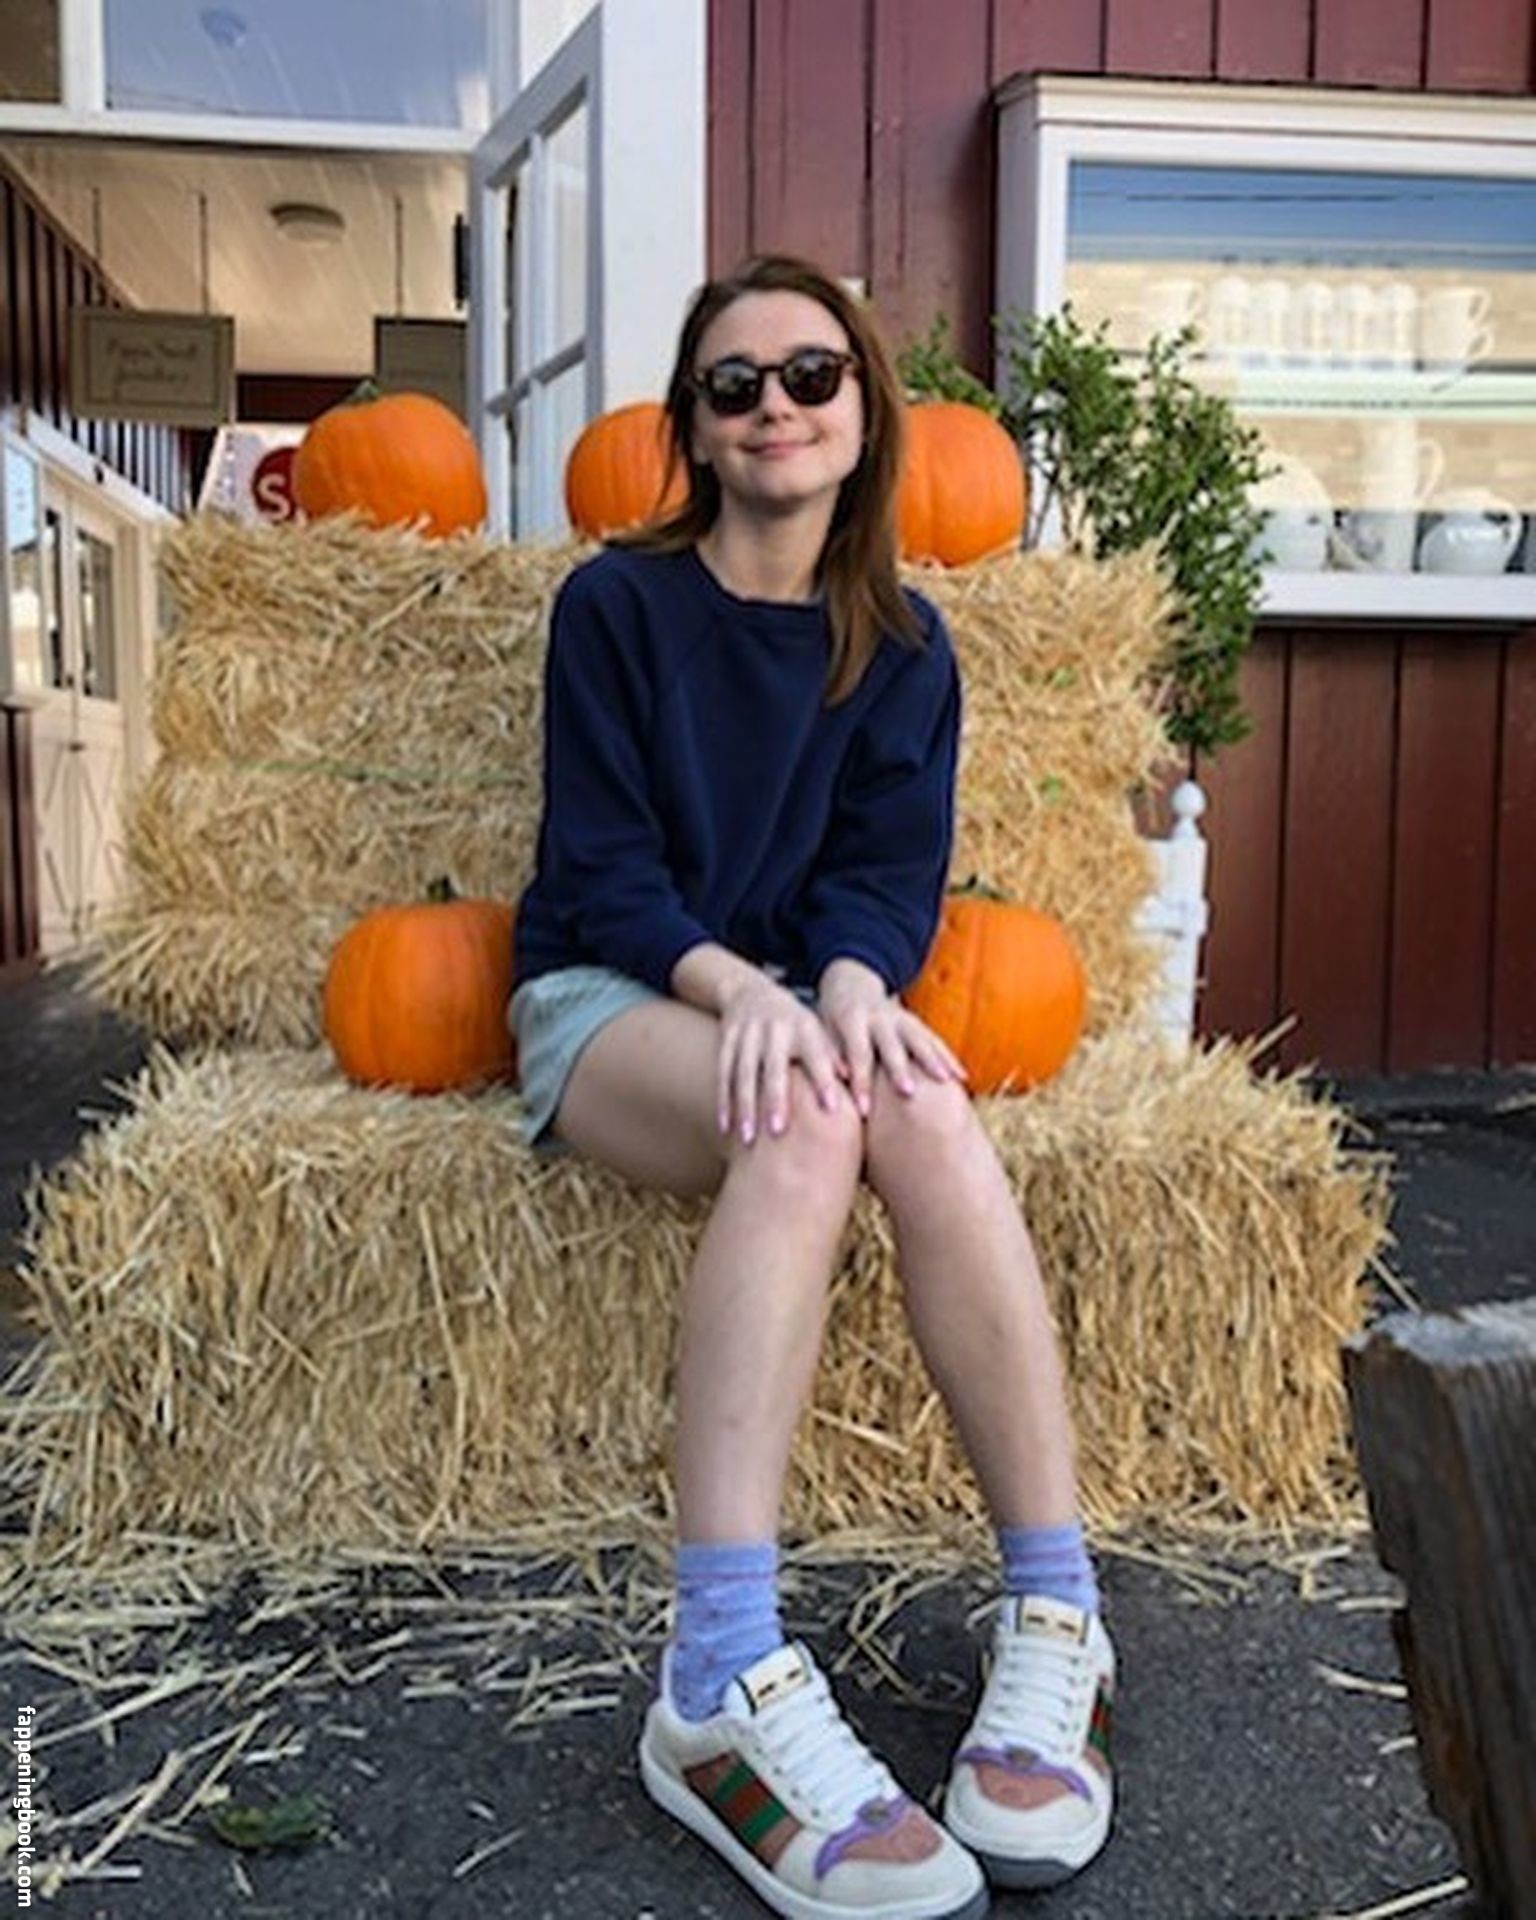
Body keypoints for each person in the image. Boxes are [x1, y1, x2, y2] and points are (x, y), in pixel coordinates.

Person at [510, 254, 1115, 1920]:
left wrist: (848, 983)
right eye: (735, 383)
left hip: (789, 998)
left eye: (810, 375)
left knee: (916, 1100)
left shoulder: (905, 647)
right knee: (802, 1112)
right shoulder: (616, 611)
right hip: (619, 997)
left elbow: (884, 880)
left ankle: (1058, 1607)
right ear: (695, 428)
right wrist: (744, 995)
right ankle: (716, 1670)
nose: (774, 404)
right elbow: (605, 875)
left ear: (863, 414)